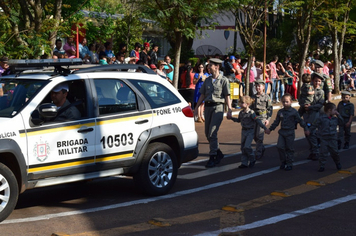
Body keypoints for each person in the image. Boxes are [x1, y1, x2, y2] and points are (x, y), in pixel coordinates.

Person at [194, 58, 233, 168]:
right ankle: (218, 152)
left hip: (218, 108)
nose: (208, 67)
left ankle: (212, 157)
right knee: (207, 133)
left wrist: (229, 109)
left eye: (210, 65)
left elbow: (227, 95)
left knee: (212, 132)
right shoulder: (207, 80)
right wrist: (196, 107)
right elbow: (202, 94)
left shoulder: (223, 80)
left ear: (217, 67)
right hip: (208, 107)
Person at [265, 94, 309, 171]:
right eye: (284, 102)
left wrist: (306, 128)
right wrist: (270, 129)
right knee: (280, 147)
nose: (285, 103)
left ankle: (289, 163)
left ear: (291, 102)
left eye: (287, 102)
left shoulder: (294, 112)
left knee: (289, 148)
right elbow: (276, 122)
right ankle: (283, 161)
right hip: (282, 132)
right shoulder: (280, 112)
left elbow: (300, 121)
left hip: (290, 133)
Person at [228, 95, 267, 168]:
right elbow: (238, 120)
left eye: (242, 103)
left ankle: (252, 158)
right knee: (243, 147)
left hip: (250, 131)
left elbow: (257, 121)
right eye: (240, 102)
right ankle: (244, 162)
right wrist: (231, 118)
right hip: (244, 131)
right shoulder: (241, 113)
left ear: (247, 104)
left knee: (247, 146)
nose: (240, 104)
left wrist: (264, 128)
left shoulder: (251, 113)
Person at [310, 103, 343, 172]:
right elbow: (314, 125)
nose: (335, 111)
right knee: (323, 153)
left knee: (335, 152)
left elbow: (342, 123)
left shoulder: (335, 119)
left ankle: (338, 163)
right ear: (329, 110)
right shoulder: (321, 118)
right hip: (324, 138)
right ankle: (321, 166)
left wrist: (338, 115)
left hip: (332, 138)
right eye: (334, 110)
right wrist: (310, 131)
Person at [304, 72, 325, 161]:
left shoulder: (321, 92)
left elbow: (320, 104)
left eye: (319, 81)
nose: (317, 83)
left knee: (311, 132)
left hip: (315, 114)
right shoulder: (308, 89)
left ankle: (315, 152)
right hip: (307, 114)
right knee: (307, 133)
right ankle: (312, 151)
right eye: (316, 81)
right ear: (313, 81)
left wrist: (311, 107)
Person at [251, 79, 273, 160]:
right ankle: (261, 147)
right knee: (254, 136)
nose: (257, 88)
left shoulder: (267, 97)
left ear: (263, 87)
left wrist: (268, 119)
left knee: (259, 136)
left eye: (259, 86)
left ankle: (258, 152)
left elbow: (270, 109)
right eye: (256, 86)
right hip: (254, 118)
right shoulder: (253, 97)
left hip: (262, 117)